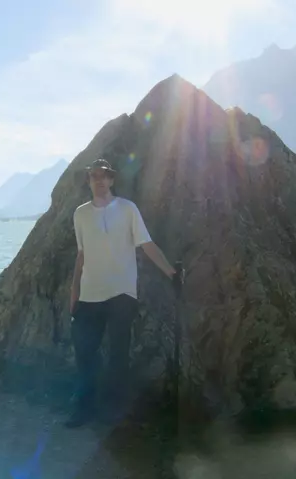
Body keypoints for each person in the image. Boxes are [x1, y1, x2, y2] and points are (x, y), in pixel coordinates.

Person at [66, 158, 177, 428]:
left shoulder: (128, 209)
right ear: (89, 180)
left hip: (122, 294)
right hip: (89, 295)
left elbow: (147, 245)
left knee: (118, 356)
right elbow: (81, 256)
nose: (99, 180)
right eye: (94, 176)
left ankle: (114, 414)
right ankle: (84, 410)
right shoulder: (80, 214)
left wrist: (172, 273)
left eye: (104, 175)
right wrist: (74, 294)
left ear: (112, 179)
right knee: (85, 354)